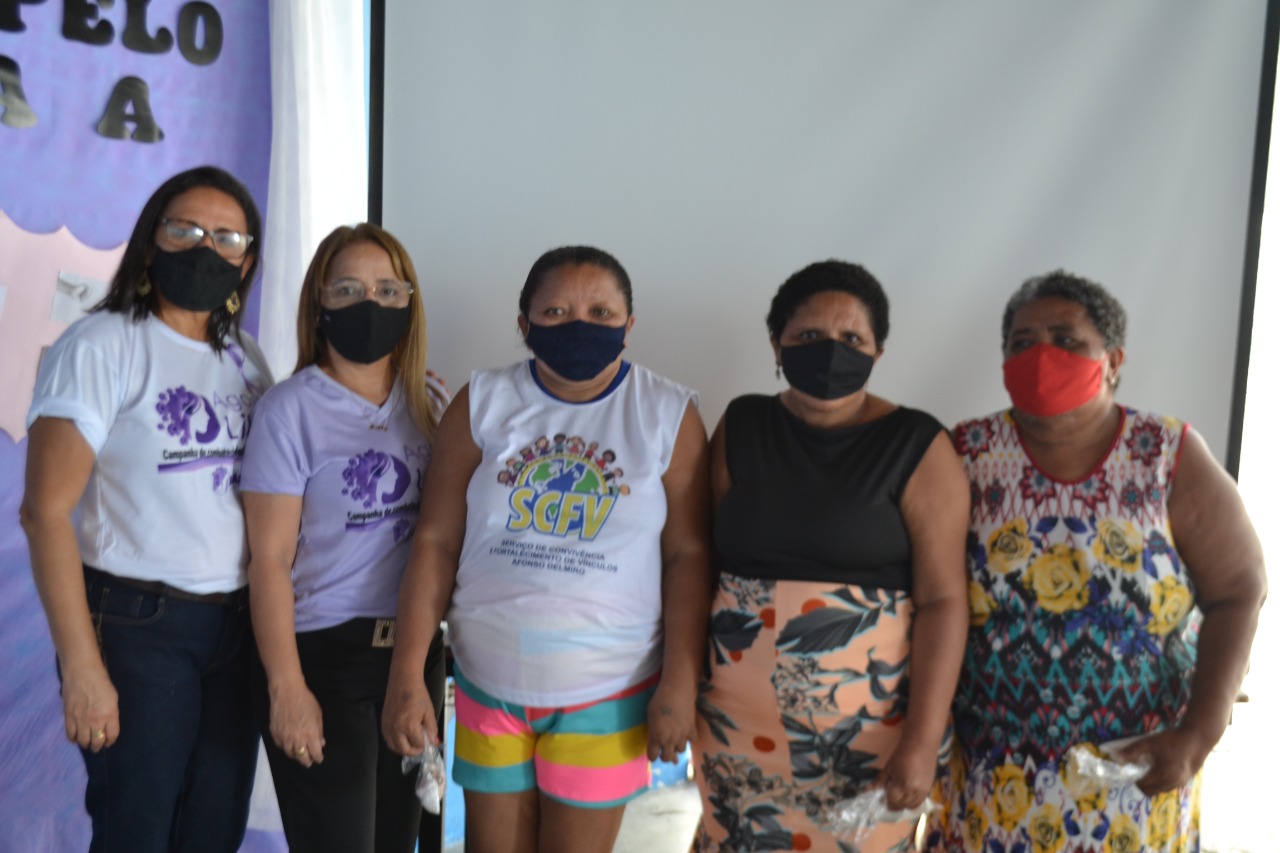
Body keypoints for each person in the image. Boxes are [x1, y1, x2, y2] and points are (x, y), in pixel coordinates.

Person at [381, 245, 711, 853]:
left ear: (629, 325)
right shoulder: (483, 402)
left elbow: (687, 557)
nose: (579, 324)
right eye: (556, 311)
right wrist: (406, 672)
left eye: (600, 312)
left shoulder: (667, 414)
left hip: (610, 692)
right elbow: (435, 541)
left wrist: (680, 683)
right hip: (486, 683)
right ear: (524, 323)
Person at [926, 271, 1266, 853]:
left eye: (1066, 340)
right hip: (994, 781)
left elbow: (1239, 590)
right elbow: (929, 597)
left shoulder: (1166, 454)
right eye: (1022, 342)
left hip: (1137, 776)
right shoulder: (965, 454)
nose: (1041, 356)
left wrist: (1198, 735)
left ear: (1112, 361)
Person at [20, 166, 272, 852]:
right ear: (150, 239)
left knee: (213, 832)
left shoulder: (245, 358)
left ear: (247, 260)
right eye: (185, 229)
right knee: (138, 832)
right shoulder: (101, 345)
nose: (205, 248)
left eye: (226, 237)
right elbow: (44, 513)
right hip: (139, 627)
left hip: (236, 627)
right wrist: (82, 666)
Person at [692, 260, 971, 853]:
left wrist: (922, 741)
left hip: (868, 740)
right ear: (777, 344)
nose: (830, 351)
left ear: (878, 351)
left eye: (851, 338)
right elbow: (707, 564)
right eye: (809, 335)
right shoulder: (742, 424)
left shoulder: (917, 443)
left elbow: (945, 601)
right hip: (733, 728)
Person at [240, 223, 448, 853]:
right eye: (349, 289)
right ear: (320, 302)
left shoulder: (429, 402)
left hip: (413, 655)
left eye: (388, 290)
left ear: (409, 302)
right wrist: (287, 687)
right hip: (325, 658)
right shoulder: (288, 410)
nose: (370, 303)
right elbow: (268, 560)